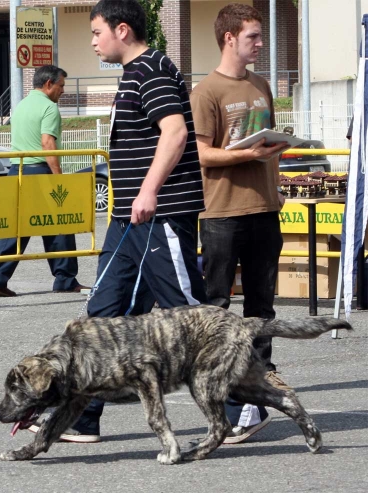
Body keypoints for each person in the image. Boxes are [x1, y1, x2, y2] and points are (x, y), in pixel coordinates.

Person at [30, 0, 207, 442]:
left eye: (95, 33)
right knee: (101, 317)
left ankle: (246, 405)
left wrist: (147, 190)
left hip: (159, 214)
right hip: (129, 221)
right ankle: (82, 418)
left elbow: (176, 132)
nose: (91, 42)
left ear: (122, 30)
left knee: (193, 317)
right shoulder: (133, 73)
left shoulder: (152, 70)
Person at [190, 3, 291, 444]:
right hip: (222, 213)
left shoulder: (261, 84)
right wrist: (246, 155)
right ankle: (222, 397)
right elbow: (201, 154)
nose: (260, 43)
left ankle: (254, 397)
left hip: (265, 209)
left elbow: (266, 142)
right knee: (216, 310)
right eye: (253, 36)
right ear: (229, 37)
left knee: (262, 309)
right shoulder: (206, 91)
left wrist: (277, 164)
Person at [0, 65, 88, 297]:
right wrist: (59, 179)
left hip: (17, 172)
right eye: (61, 86)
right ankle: (65, 279)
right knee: (60, 224)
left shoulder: (21, 106)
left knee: (17, 228)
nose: (63, 90)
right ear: (49, 84)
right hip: (40, 172)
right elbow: (47, 143)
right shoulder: (49, 108)